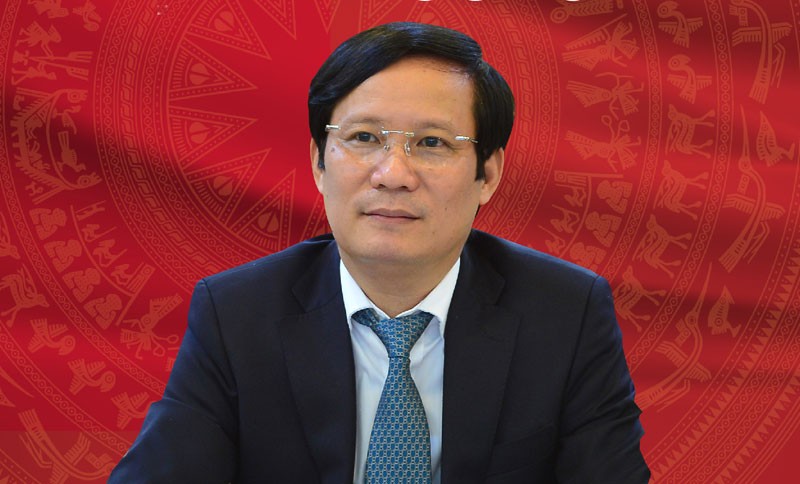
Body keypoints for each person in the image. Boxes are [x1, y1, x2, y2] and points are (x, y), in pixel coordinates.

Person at [110, 22, 649, 483]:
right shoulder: (237, 313)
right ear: (319, 162)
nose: (393, 174)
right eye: (365, 137)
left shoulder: (566, 313)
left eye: (432, 143)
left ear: (487, 174)